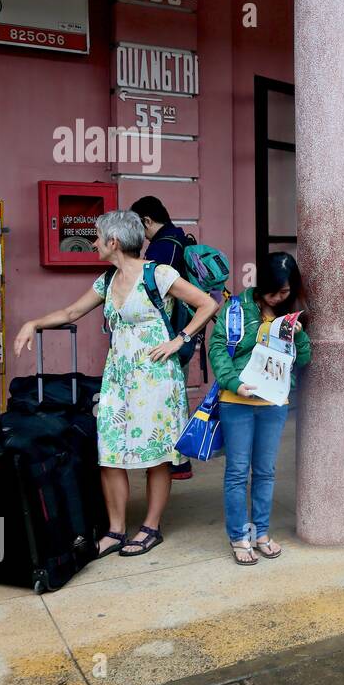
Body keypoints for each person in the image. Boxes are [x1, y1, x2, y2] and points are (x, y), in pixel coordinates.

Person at [12, 210, 218, 556]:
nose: (93, 243)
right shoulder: (106, 280)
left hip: (156, 379)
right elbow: (71, 313)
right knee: (109, 453)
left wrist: (179, 340)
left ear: (114, 242)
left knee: (157, 456)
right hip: (118, 379)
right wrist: (32, 323)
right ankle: (116, 529)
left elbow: (207, 303)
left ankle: (151, 527)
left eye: (97, 237)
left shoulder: (159, 273)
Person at [209, 252, 311, 565]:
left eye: (286, 292)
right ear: (261, 285)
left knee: (266, 471)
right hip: (237, 401)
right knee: (238, 472)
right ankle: (239, 536)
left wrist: (299, 337)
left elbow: (304, 359)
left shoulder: (291, 317)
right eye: (274, 291)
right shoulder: (237, 308)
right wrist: (231, 382)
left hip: (273, 403)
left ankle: (260, 533)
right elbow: (217, 347)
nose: (280, 298)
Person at [131, 195, 196, 480]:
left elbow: (151, 293)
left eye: (138, 226)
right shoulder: (180, 238)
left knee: (169, 398)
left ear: (146, 220)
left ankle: (177, 462)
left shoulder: (161, 249)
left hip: (169, 333)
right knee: (175, 394)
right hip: (183, 329)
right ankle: (176, 460)